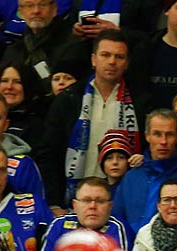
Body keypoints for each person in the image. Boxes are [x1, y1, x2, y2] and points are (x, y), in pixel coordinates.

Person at [43, 29, 139, 206]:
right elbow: (50, 154)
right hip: (75, 199)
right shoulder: (69, 98)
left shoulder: (139, 101)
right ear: (94, 60)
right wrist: (53, 202)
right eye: (105, 55)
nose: (112, 61)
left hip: (123, 200)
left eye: (119, 57)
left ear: (127, 63)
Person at [37, 175, 130, 251]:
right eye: (86, 200)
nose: (93, 206)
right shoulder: (59, 225)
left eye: (100, 201)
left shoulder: (117, 228)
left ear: (110, 206)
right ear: (75, 205)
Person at [110, 108, 177, 235]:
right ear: (147, 136)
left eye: (169, 134)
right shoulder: (131, 177)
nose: (163, 141)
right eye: (157, 134)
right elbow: (117, 220)